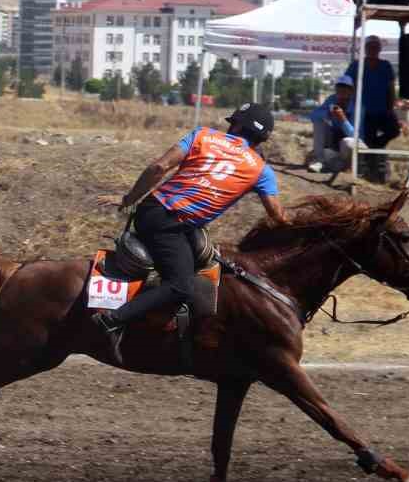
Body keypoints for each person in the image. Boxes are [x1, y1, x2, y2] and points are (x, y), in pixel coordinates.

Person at [93, 103, 287, 364]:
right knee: (182, 285)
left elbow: (159, 168)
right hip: (170, 225)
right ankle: (111, 320)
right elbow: (277, 217)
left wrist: (128, 198)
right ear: (262, 138)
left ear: (237, 125)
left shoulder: (203, 135)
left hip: (156, 212)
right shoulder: (262, 171)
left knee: (207, 263)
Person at [343, 35, 401, 183]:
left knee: (394, 130)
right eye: (370, 46)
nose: (373, 49)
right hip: (364, 111)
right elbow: (347, 84)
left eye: (376, 46)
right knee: (366, 140)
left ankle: (376, 147)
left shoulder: (386, 65)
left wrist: (391, 106)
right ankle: (372, 173)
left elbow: (391, 87)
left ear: (380, 49)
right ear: (365, 49)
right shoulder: (357, 65)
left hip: (383, 109)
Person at [307, 75, 360, 174]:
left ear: (351, 91)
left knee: (347, 142)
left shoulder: (358, 105)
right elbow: (313, 116)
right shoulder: (332, 99)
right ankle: (320, 161)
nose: (341, 95)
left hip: (351, 145)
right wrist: (327, 113)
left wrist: (343, 119)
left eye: (345, 91)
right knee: (319, 122)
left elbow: (357, 136)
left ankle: (342, 166)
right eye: (339, 91)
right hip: (334, 140)